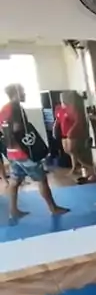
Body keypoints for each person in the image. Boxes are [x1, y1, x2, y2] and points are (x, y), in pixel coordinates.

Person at [0, 84, 69, 220]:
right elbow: (17, 129)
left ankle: (13, 210)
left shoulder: (4, 109)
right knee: (42, 179)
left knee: (15, 180)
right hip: (23, 152)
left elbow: (3, 129)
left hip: (11, 152)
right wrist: (31, 144)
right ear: (16, 93)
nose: (24, 94)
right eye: (22, 92)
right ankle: (53, 208)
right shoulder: (16, 108)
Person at [55, 91, 93, 177]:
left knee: (72, 150)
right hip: (63, 133)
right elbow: (58, 119)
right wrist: (55, 128)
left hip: (71, 134)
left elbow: (78, 121)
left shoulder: (72, 109)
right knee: (67, 151)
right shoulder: (59, 109)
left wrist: (71, 131)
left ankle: (76, 167)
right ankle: (81, 165)